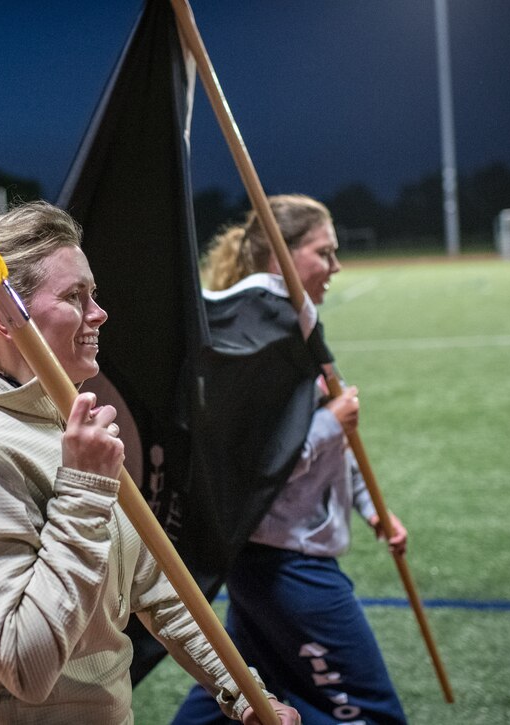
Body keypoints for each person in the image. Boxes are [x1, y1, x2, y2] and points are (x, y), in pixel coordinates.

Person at [0, 201, 298, 725]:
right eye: (74, 297)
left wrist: (242, 690)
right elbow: (24, 665)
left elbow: (160, 587)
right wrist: (86, 486)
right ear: (2, 316)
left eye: (94, 294)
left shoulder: (65, 425)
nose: (99, 313)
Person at [171, 195, 408, 725]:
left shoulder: (295, 328)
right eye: (324, 252)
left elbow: (331, 455)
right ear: (282, 257)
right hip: (285, 564)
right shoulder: (265, 339)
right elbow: (257, 464)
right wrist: (332, 421)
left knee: (230, 700)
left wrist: (374, 510)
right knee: (367, 712)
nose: (336, 266)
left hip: (267, 560)